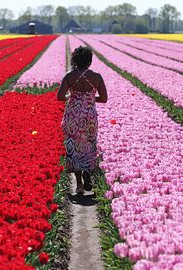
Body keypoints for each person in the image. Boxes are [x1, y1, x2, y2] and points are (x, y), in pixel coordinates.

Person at [57, 46, 107, 194]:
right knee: (89, 144)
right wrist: (89, 98)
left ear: (75, 60)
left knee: (74, 146)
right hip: (89, 116)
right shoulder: (97, 77)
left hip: (73, 116)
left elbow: (59, 97)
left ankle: (79, 184)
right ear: (90, 61)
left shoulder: (69, 76)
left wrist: (72, 97)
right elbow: (104, 98)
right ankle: (87, 172)